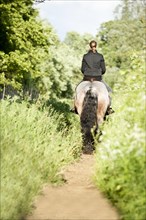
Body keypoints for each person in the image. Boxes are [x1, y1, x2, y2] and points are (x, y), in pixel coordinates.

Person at [70, 40, 114, 115]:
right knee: (109, 91)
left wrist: (87, 73)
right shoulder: (100, 56)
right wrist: (99, 73)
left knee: (77, 89)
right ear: (96, 46)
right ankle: (109, 108)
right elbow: (103, 70)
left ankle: (74, 107)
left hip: (87, 77)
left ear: (90, 46)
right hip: (98, 78)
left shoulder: (85, 56)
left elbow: (82, 69)